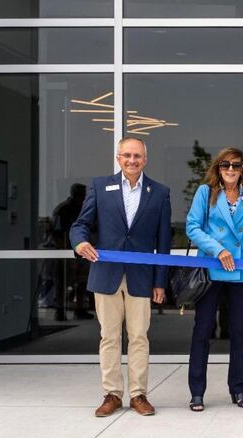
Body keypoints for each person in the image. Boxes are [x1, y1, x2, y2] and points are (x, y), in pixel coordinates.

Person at [70, 137, 171, 417]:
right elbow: (80, 225)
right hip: (107, 275)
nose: (132, 160)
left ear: (145, 159)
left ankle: (139, 394)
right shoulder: (100, 187)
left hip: (141, 277)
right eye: (127, 155)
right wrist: (80, 243)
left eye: (137, 156)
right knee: (109, 337)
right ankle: (112, 394)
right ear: (118, 158)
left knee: (139, 337)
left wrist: (160, 281)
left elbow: (163, 242)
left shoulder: (159, 192)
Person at [185, 147, 243, 412]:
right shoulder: (205, 192)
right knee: (203, 330)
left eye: (236, 165)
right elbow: (192, 227)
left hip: (239, 271)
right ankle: (197, 392)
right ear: (218, 168)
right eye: (225, 165)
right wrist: (218, 249)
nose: (231, 169)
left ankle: (238, 389)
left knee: (239, 332)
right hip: (211, 270)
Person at [52, 183, 93, 320]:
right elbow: (57, 233)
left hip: (82, 251)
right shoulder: (63, 210)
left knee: (82, 281)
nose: (84, 197)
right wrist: (65, 252)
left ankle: (79, 309)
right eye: (83, 194)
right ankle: (60, 310)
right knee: (63, 281)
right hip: (65, 252)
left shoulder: (83, 209)